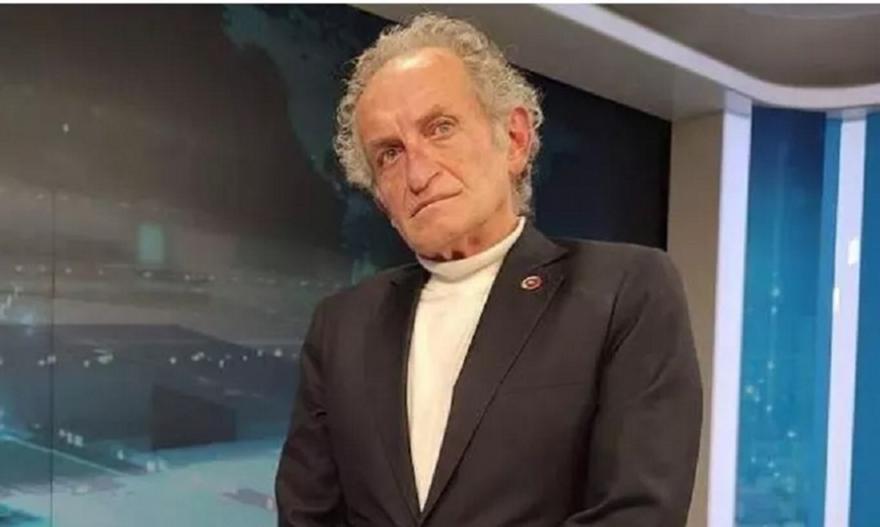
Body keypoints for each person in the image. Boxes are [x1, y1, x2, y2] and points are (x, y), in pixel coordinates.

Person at [275, 13, 702, 527]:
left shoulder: (625, 290)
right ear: (381, 198)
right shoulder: (341, 326)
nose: (418, 173)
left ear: (515, 139)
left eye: (440, 128)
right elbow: (307, 516)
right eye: (389, 154)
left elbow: (636, 513)